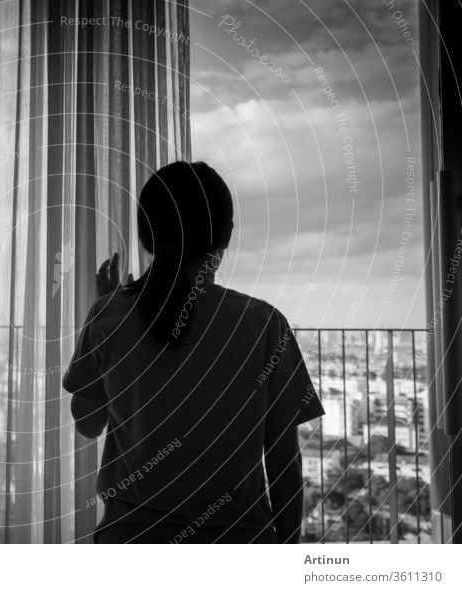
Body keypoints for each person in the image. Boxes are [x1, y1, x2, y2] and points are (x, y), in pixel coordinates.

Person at [62, 161, 324, 544]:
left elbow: (88, 424)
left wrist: (109, 315)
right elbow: (284, 464)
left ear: (146, 235)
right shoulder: (265, 324)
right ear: (226, 235)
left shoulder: (109, 316)